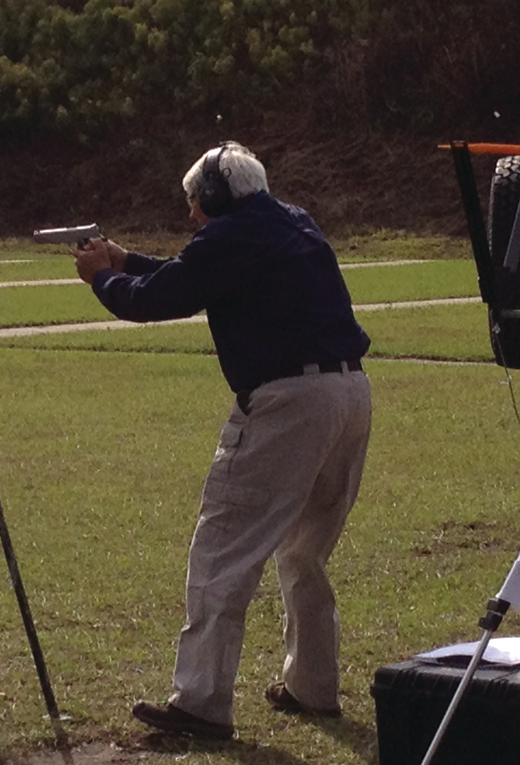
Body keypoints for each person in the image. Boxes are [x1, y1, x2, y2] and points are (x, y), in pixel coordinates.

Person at [72, 142, 372, 740]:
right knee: (303, 551)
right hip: (350, 393)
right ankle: (312, 686)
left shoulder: (228, 238)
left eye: (194, 203)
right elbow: (196, 273)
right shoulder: (293, 222)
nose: (191, 216)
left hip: (289, 402)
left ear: (213, 197)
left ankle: (202, 703)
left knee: (221, 550)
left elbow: (157, 300)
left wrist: (102, 277)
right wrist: (126, 258)